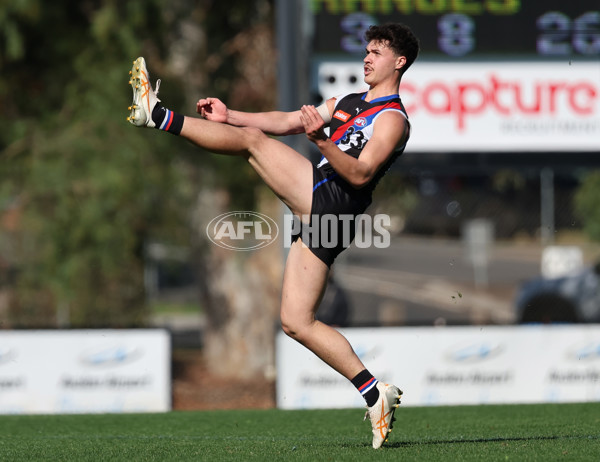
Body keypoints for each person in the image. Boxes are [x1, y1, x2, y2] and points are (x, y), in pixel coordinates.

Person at [127, 23, 419, 449]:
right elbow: (287, 120)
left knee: (252, 145)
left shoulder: (393, 119)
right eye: (367, 50)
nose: (367, 58)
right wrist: (232, 116)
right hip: (322, 211)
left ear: (400, 62)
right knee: (296, 322)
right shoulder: (348, 101)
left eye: (377, 52)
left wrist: (321, 142)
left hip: (335, 199)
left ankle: (156, 114)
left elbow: (360, 172)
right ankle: (375, 392)